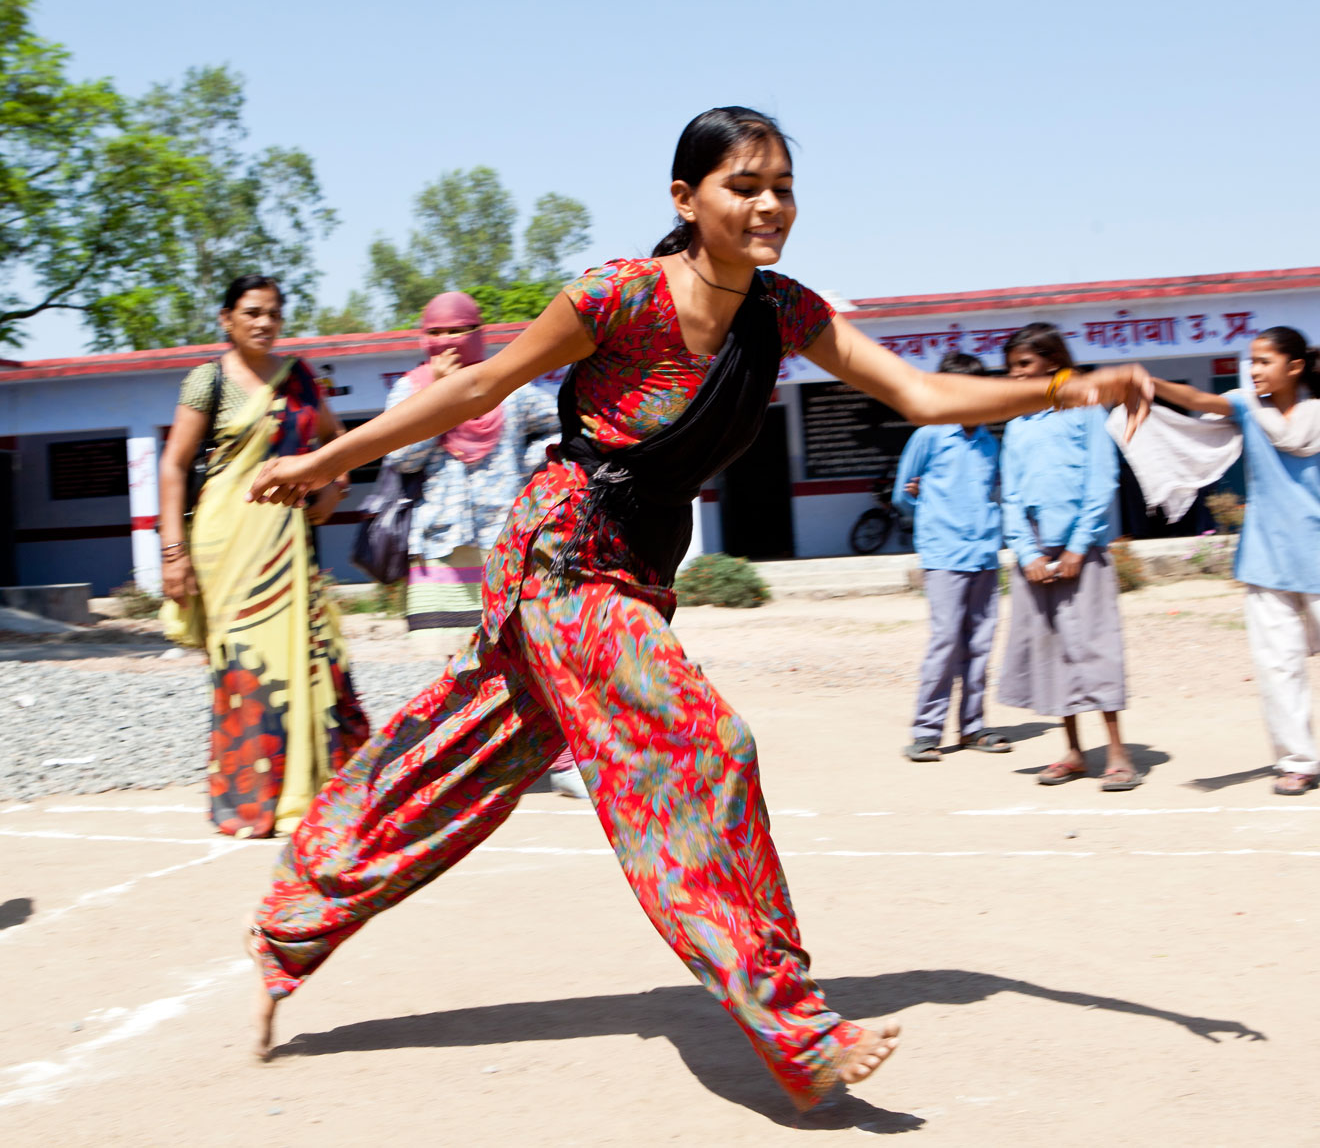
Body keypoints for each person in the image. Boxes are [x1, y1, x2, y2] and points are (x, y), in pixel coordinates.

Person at [240, 107, 1155, 1109]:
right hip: (561, 559)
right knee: (705, 742)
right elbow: (479, 388)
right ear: (685, 198)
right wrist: (326, 459)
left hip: (636, 568)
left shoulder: (783, 312)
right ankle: (796, 1028)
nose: (768, 205)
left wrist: (1068, 388)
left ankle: (291, 918)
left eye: (781, 188)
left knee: (464, 754)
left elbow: (918, 394)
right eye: (743, 185)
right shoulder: (617, 295)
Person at [1127, 327, 1320, 796]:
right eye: (1252, 361)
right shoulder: (1248, 409)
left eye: (1264, 360)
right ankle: (1297, 762)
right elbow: (1199, 398)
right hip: (1266, 561)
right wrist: (1151, 383)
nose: (1254, 369)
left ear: (1295, 366)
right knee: (1278, 666)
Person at [158, 276, 369, 838]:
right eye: (251, 312)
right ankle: (248, 802)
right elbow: (174, 466)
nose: (264, 322)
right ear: (226, 319)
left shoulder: (298, 379)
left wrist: (336, 482)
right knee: (246, 668)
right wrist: (172, 554)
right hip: (225, 546)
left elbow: (333, 438)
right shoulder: (207, 381)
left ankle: (313, 795)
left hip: (287, 542)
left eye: (273, 313)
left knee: (304, 659)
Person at [382, 291, 579, 797]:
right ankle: (458, 763)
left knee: (527, 650)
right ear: (424, 336)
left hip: (506, 544)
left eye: (459, 330)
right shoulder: (408, 389)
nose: (448, 341)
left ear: (478, 332)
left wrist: (537, 457)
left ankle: (554, 760)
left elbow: (560, 423)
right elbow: (402, 458)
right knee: (451, 663)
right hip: (441, 549)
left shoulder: (506, 383)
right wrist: (444, 398)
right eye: (438, 332)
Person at [999, 324, 1139, 789]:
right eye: (1011, 368)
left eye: (1025, 365)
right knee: (1053, 650)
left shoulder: (1085, 411)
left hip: (1084, 549)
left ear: (1053, 363)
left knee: (1094, 647)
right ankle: (1074, 752)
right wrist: (1025, 551)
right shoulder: (1017, 425)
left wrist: (1080, 543)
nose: (1016, 376)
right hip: (1035, 552)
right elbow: (1012, 496)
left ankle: (1118, 753)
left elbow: (1101, 480)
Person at [894, 351, 1008, 761]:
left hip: (984, 555)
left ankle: (974, 726)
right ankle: (926, 730)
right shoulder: (928, 435)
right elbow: (901, 497)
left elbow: (994, 493)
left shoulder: (989, 443)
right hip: (943, 555)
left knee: (980, 644)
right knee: (944, 643)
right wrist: (926, 512)